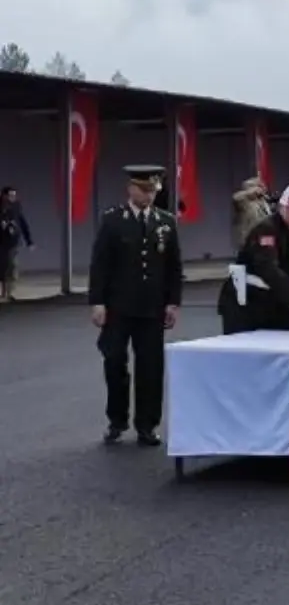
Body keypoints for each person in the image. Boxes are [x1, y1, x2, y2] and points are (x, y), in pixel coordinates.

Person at [88, 166, 184, 446]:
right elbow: (100, 264)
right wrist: (98, 302)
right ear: (131, 189)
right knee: (115, 360)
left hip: (152, 308)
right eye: (144, 190)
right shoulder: (113, 220)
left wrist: (173, 302)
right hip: (118, 307)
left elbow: (174, 266)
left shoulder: (165, 222)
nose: (149, 196)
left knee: (151, 368)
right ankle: (117, 419)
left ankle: (147, 424)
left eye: (153, 191)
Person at [217, 184, 289, 333]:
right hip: (247, 300)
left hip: (268, 298)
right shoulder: (267, 229)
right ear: (284, 206)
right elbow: (267, 267)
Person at [0, 186, 33, 302]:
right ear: (3, 196)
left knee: (12, 266)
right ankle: (4, 292)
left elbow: (23, 223)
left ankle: (9, 293)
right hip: (2, 242)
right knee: (3, 267)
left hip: (13, 243)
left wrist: (29, 241)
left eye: (14, 196)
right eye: (10, 195)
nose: (12, 198)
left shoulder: (16, 208)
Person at [232, 177, 271, 249]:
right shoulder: (245, 202)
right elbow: (236, 198)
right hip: (251, 239)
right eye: (260, 187)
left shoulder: (264, 201)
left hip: (265, 238)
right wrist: (252, 191)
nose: (263, 189)